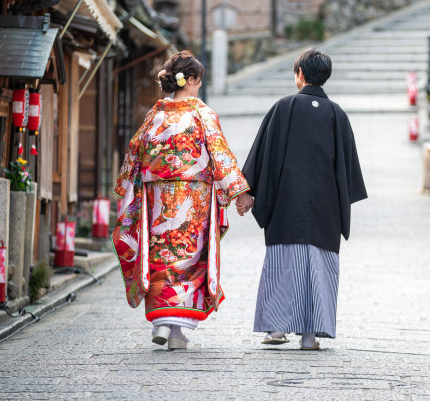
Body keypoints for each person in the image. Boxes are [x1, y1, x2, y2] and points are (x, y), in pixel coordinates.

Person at [113, 51, 253, 350]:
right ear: (190, 80)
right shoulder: (202, 114)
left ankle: (161, 322)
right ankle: (177, 333)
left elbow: (133, 157)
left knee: (161, 257)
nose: (199, 87)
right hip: (194, 199)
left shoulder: (155, 115)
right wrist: (240, 193)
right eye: (198, 81)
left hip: (158, 198)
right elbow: (221, 156)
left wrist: (128, 189)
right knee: (188, 259)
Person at [237, 48, 367, 350]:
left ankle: (276, 329)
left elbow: (262, 156)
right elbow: (348, 173)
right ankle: (310, 335)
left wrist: (248, 193)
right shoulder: (338, 115)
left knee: (283, 262)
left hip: (285, 203)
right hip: (325, 209)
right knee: (319, 267)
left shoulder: (283, 108)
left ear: (300, 75)